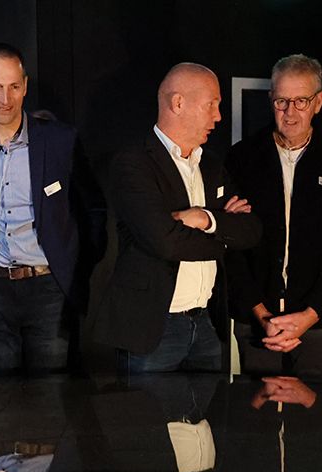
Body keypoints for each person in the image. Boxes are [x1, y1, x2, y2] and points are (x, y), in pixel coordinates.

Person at [95, 63, 261, 374]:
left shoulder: (211, 165)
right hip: (155, 328)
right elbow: (165, 242)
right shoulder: (133, 164)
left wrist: (204, 219)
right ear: (178, 103)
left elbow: (251, 230)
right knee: (150, 418)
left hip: (207, 324)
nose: (218, 116)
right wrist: (223, 235)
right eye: (211, 104)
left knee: (203, 421)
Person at [0, 42, 106, 378]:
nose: (4, 98)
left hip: (47, 289)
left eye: (13, 86)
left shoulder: (60, 140)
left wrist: (76, 266)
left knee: (50, 398)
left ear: (25, 86)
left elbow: (93, 206)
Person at [226, 54, 322, 379]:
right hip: (256, 319)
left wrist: (310, 315)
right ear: (270, 100)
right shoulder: (242, 157)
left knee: (313, 419)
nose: (290, 112)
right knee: (255, 418)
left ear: (318, 102)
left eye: (301, 101)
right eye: (282, 101)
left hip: (316, 320)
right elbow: (230, 247)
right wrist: (261, 315)